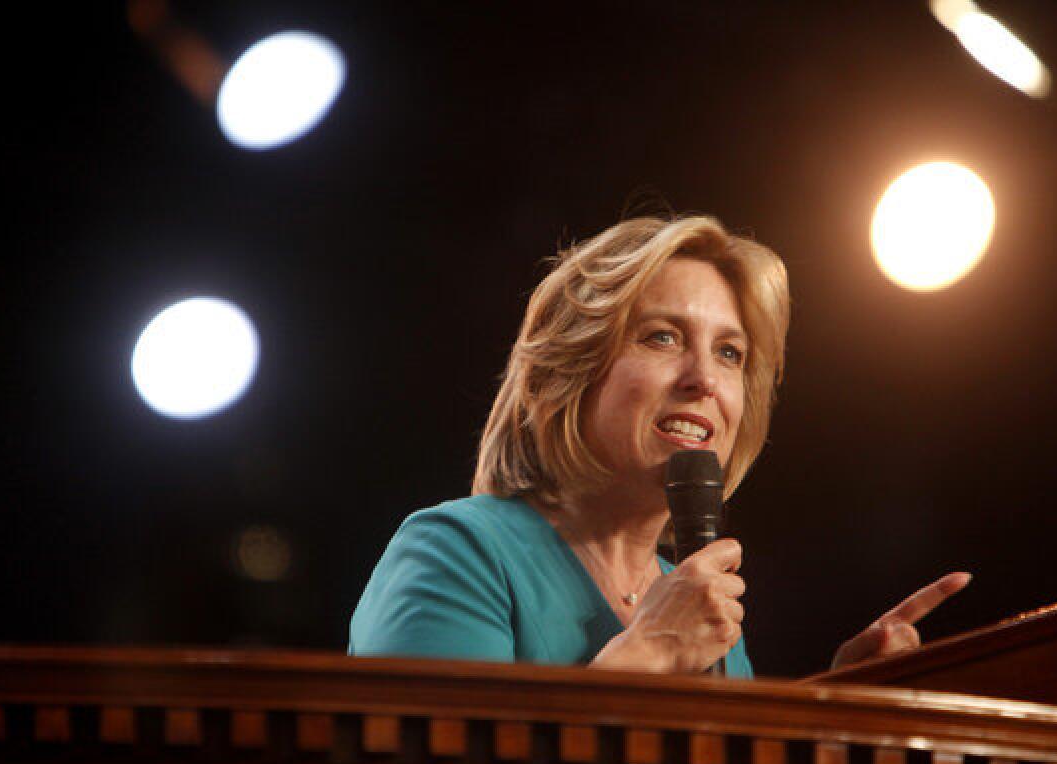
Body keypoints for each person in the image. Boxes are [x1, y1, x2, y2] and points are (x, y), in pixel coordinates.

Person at [348, 215, 969, 675]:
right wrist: (646, 655)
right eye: (663, 337)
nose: (703, 380)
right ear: (567, 372)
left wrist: (835, 713)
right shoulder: (457, 553)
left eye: (730, 353)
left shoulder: (705, 610)